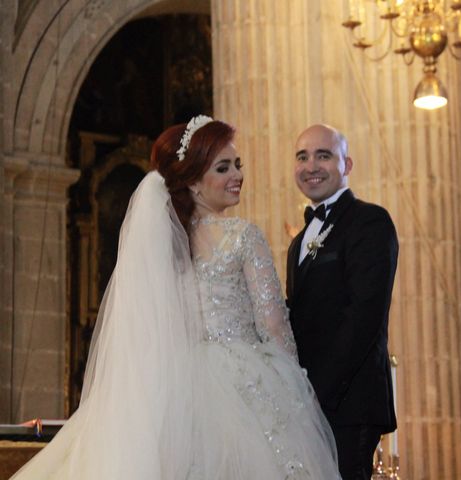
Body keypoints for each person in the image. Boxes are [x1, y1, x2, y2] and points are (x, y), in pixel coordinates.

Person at [11, 117, 340, 479]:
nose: (237, 175)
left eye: (237, 165)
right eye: (223, 167)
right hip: (244, 384)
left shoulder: (161, 244)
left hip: (176, 388)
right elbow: (273, 324)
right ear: (195, 183)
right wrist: (294, 386)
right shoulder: (243, 236)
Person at [286, 124, 399, 480]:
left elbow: (363, 316)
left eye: (324, 155)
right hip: (308, 402)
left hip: (350, 402)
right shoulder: (298, 241)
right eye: (302, 157)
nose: (311, 165)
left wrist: (318, 391)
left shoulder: (370, 221)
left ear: (346, 165)